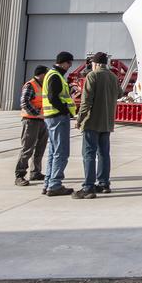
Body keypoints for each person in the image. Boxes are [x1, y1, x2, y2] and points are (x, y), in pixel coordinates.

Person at [74, 51, 120, 199]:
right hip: (107, 122)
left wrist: (79, 119)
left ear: (95, 64)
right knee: (104, 154)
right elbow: (119, 94)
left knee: (89, 154)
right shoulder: (113, 77)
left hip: (92, 122)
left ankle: (88, 187)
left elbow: (86, 101)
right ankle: (104, 183)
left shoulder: (92, 76)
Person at [41, 51, 77, 197]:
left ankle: (48, 183)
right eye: (69, 63)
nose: (69, 67)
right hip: (58, 118)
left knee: (53, 152)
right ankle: (55, 185)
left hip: (51, 117)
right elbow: (52, 97)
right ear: (63, 62)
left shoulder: (52, 74)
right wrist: (65, 110)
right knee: (61, 152)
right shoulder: (55, 76)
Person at [14, 65, 49, 186]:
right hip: (31, 121)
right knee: (27, 148)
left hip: (42, 121)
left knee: (40, 147)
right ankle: (20, 175)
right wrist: (37, 114)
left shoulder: (43, 85)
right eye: (47, 74)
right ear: (42, 74)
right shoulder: (30, 85)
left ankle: (35, 172)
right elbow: (24, 102)